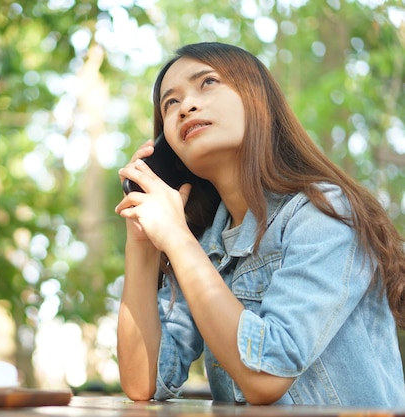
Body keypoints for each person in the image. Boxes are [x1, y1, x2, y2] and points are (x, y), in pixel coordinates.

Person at [115, 42, 405, 407]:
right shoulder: (203, 244)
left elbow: (267, 375)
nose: (185, 106)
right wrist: (141, 242)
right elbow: (142, 382)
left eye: (207, 83)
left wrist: (175, 238)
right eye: (170, 103)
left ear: (258, 101)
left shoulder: (323, 212)